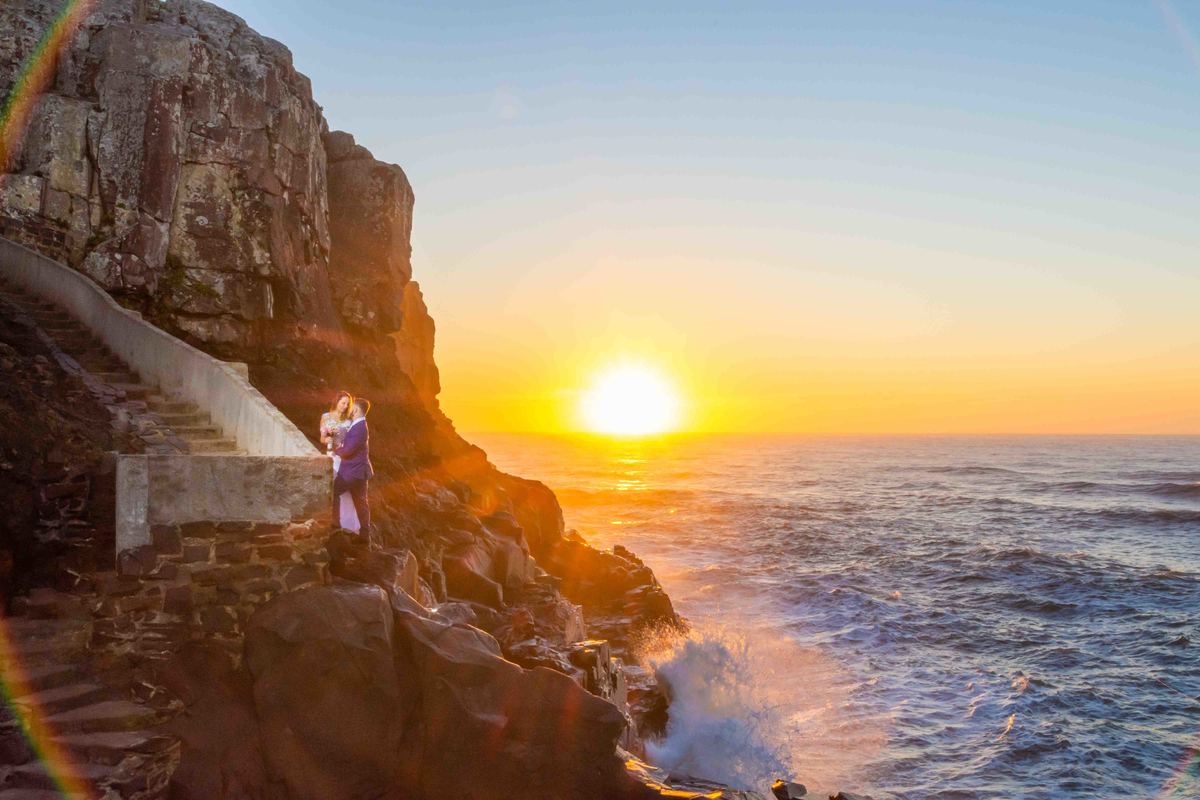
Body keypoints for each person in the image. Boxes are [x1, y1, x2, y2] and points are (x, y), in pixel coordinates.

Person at [320, 391, 361, 532]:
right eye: (343, 403)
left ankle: (347, 524)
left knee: (345, 490)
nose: (345, 406)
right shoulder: (325, 417)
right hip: (331, 455)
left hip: (344, 457)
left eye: (347, 404)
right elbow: (322, 438)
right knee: (333, 487)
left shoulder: (349, 421)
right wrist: (328, 439)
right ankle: (335, 520)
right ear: (336, 401)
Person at [332, 397, 373, 538]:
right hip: (359, 471)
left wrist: (336, 450)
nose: (349, 409)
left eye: (351, 407)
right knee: (361, 502)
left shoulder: (359, 427)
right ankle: (364, 535)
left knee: (333, 493)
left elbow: (348, 451)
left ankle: (336, 526)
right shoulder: (360, 425)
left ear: (355, 410)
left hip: (351, 472)